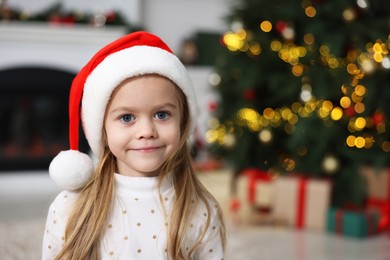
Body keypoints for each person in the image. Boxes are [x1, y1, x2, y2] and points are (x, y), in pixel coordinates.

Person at [42, 31, 226, 259]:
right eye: (127, 118)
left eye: (161, 114)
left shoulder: (202, 210)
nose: (147, 131)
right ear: (102, 130)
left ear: (183, 121)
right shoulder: (70, 207)